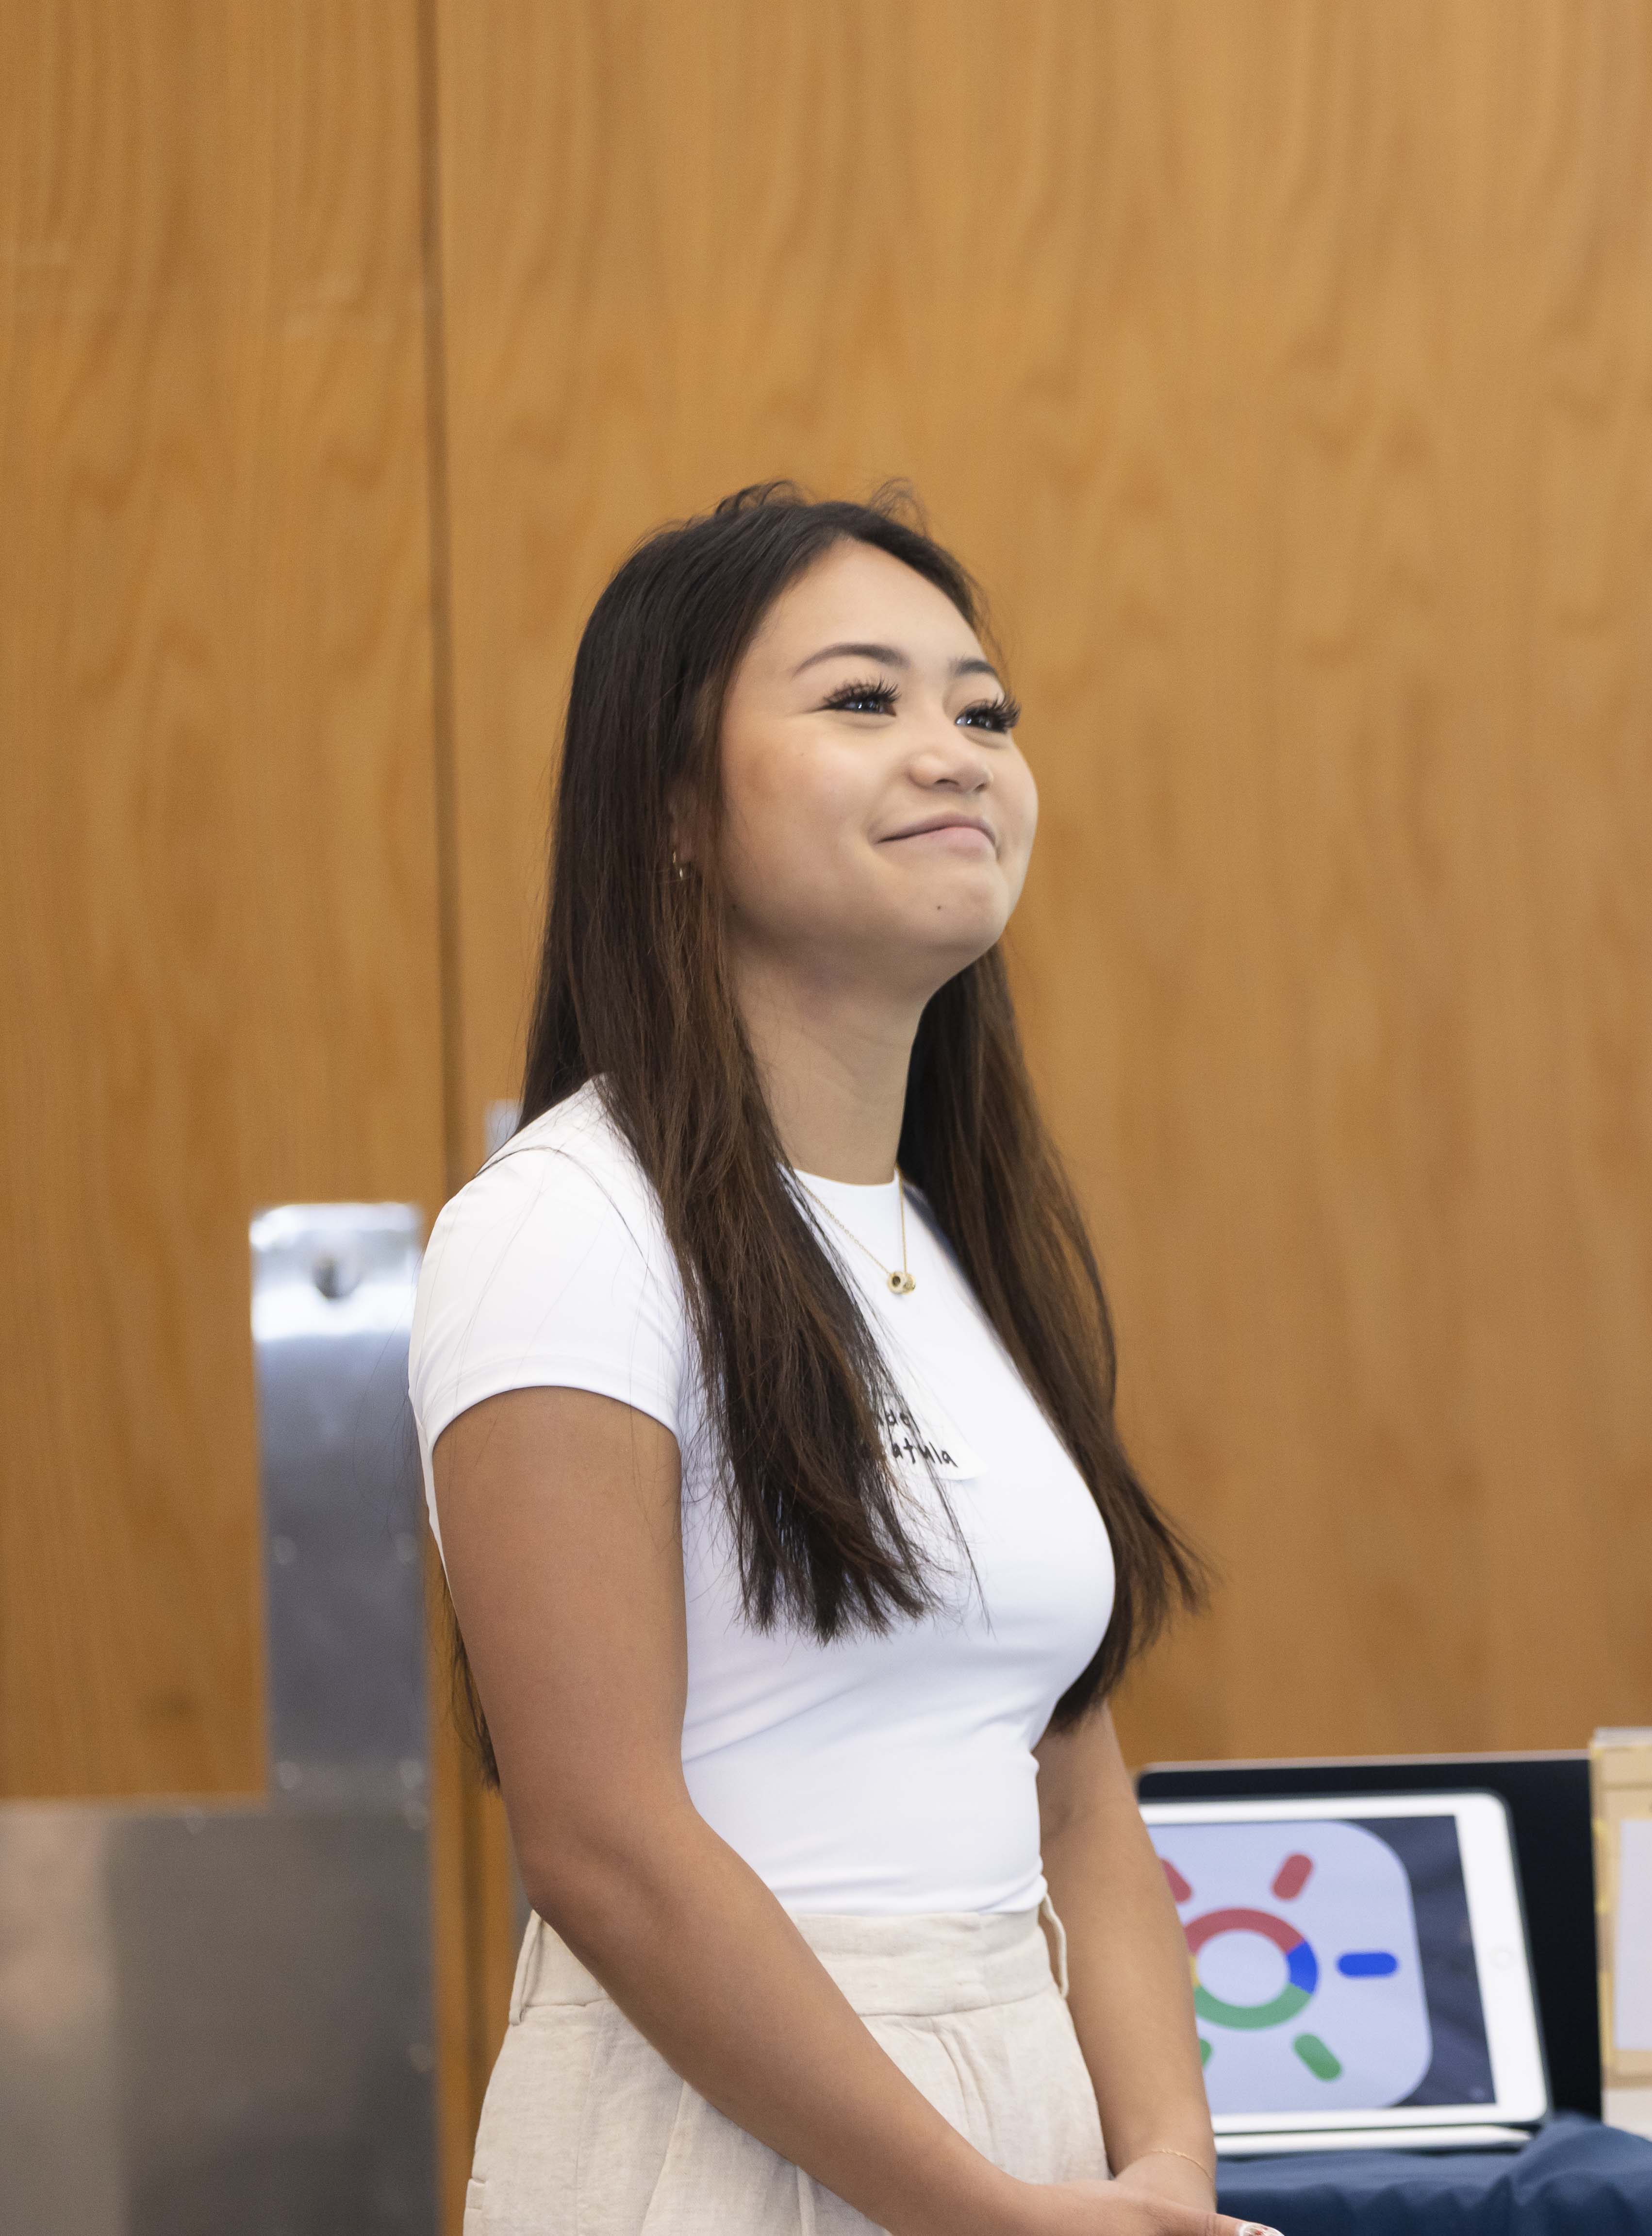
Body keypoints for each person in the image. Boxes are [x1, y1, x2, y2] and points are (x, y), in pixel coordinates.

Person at [419, 486, 1262, 2234]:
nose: (953, 753)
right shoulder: (565, 1224)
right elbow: (601, 1840)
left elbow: (1073, 1786)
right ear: (671, 807)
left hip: (1023, 2125)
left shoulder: (960, 1244)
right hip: (726, 2131)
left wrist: (1161, 2170)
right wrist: (985, 2210)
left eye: (984, 710)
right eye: (864, 702)